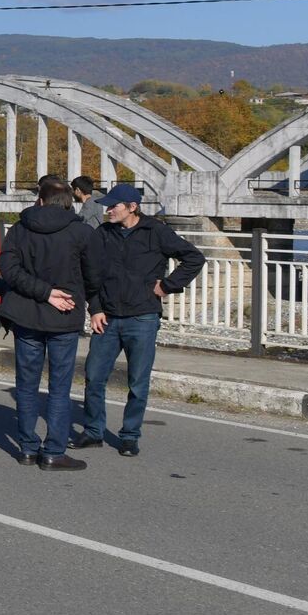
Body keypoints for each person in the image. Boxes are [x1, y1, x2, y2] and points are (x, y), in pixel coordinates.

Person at [74, 183, 205, 457]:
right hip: (107, 317)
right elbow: (91, 274)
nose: (108, 210)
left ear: (132, 207)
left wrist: (168, 286)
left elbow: (194, 258)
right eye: (107, 206)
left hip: (142, 317)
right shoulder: (103, 233)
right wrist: (95, 308)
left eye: (114, 206)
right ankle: (94, 431)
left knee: (137, 381)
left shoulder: (155, 231)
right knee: (94, 377)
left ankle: (130, 436)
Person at [0, 177, 99, 470]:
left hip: (26, 316)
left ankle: (27, 449)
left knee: (26, 385)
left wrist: (42, 292)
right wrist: (95, 308)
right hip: (64, 317)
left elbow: (9, 270)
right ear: (70, 202)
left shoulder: (19, 229)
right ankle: (54, 451)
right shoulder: (81, 233)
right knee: (59, 387)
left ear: (40, 200)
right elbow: (94, 277)